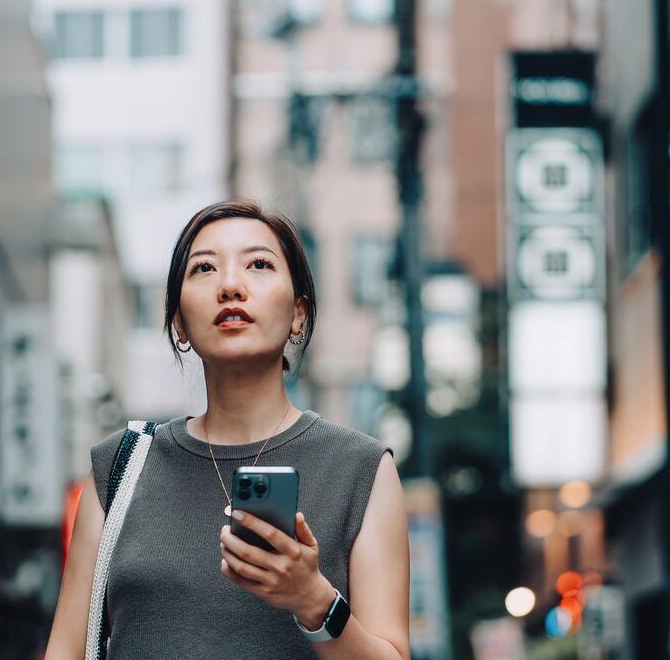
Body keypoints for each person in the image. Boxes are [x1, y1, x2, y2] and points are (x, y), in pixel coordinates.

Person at [45, 200, 409, 659]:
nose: (231, 286)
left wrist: (315, 601)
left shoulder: (361, 470)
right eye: (204, 268)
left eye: (259, 264)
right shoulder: (119, 468)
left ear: (298, 314)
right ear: (178, 323)